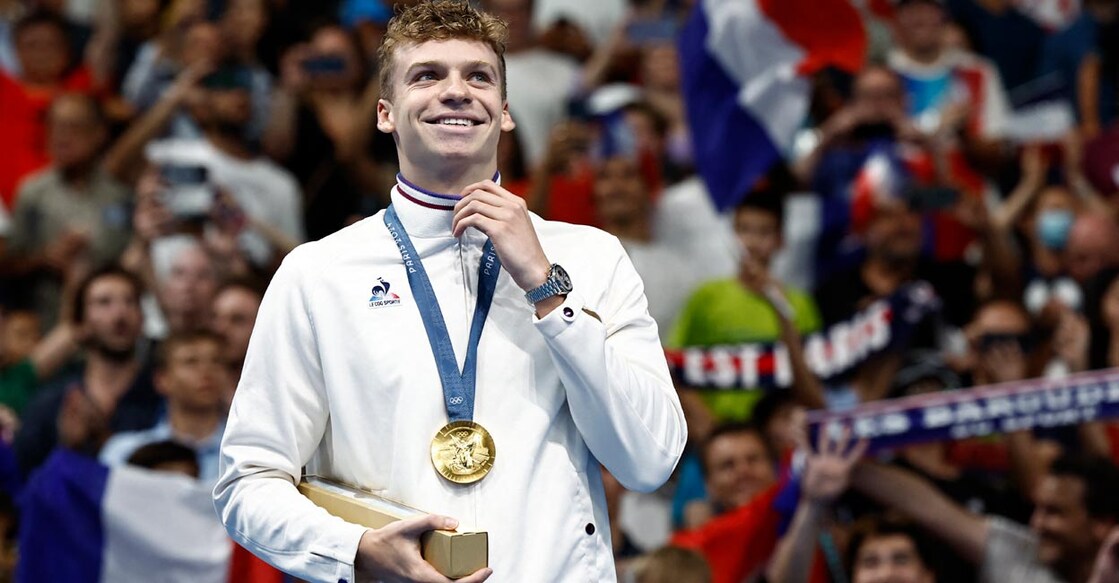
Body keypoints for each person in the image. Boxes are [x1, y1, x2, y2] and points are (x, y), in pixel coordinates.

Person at [212, 3, 686, 583]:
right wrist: (354, 547)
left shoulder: (590, 257)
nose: (456, 92)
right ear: (385, 113)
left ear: (505, 113)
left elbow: (651, 459)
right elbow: (248, 482)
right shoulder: (318, 275)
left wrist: (546, 287)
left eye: (478, 76)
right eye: (428, 75)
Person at [852, 453, 1119, 583]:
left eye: (1054, 513)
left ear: (1102, 525)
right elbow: (928, 506)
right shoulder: (1020, 553)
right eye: (1036, 509)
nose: (1036, 524)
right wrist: (847, 465)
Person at [13, 265, 162, 478]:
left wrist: (103, 440)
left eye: (130, 302)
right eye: (104, 303)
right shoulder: (51, 402)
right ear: (80, 323)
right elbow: (25, 484)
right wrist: (68, 448)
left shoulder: (164, 394)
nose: (120, 314)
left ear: (142, 319)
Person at [99, 330, 227, 483]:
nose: (207, 371)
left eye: (217, 361)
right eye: (191, 362)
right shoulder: (122, 453)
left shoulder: (247, 451)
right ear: (162, 380)